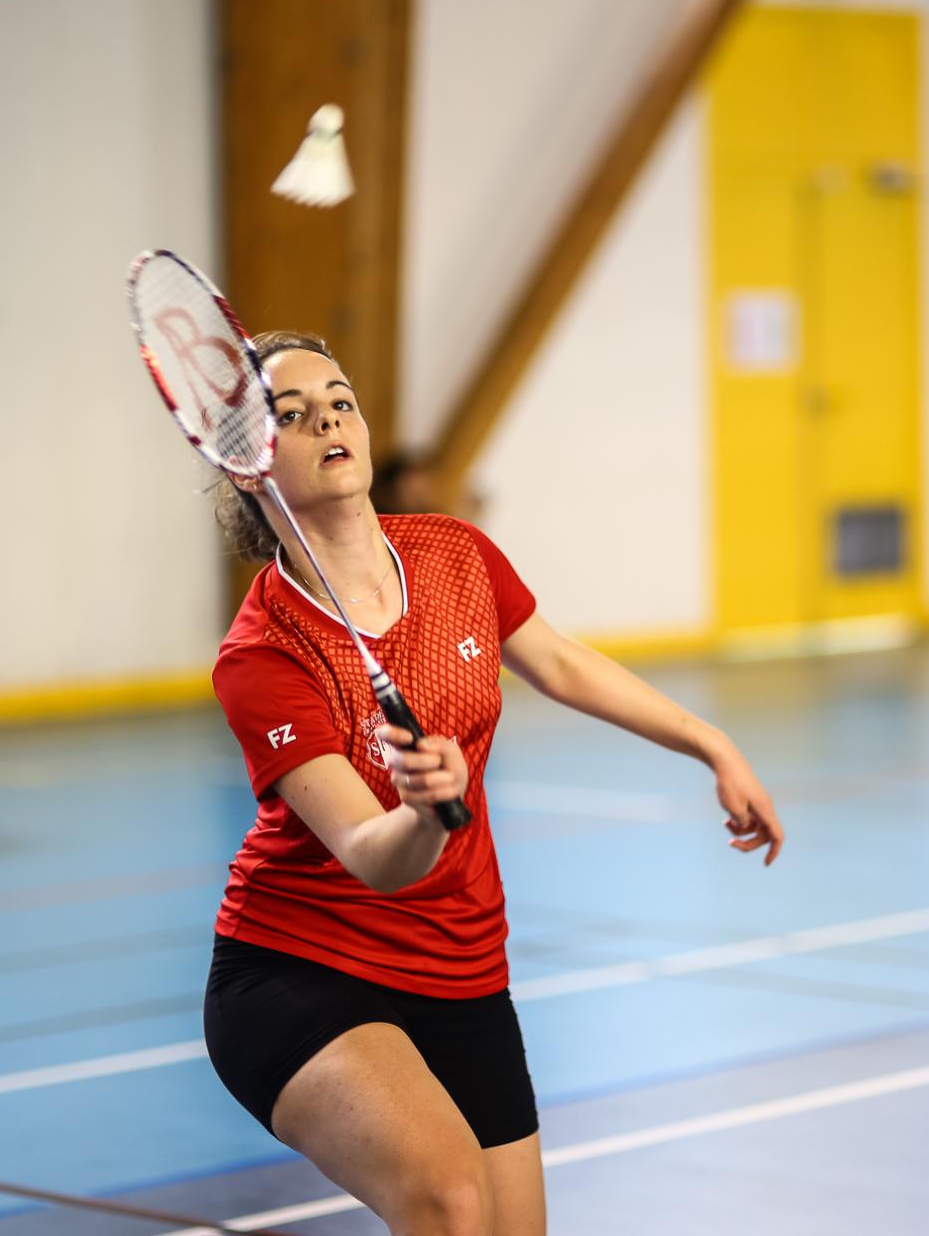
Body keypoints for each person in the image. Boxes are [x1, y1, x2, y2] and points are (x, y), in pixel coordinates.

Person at [202, 331, 784, 1236]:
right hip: (303, 967)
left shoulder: (455, 554)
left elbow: (559, 662)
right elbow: (371, 854)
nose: (328, 420)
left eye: (340, 400)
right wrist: (428, 814)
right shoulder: (263, 655)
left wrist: (710, 743)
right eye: (292, 413)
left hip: (461, 962)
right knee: (450, 1197)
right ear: (250, 465)